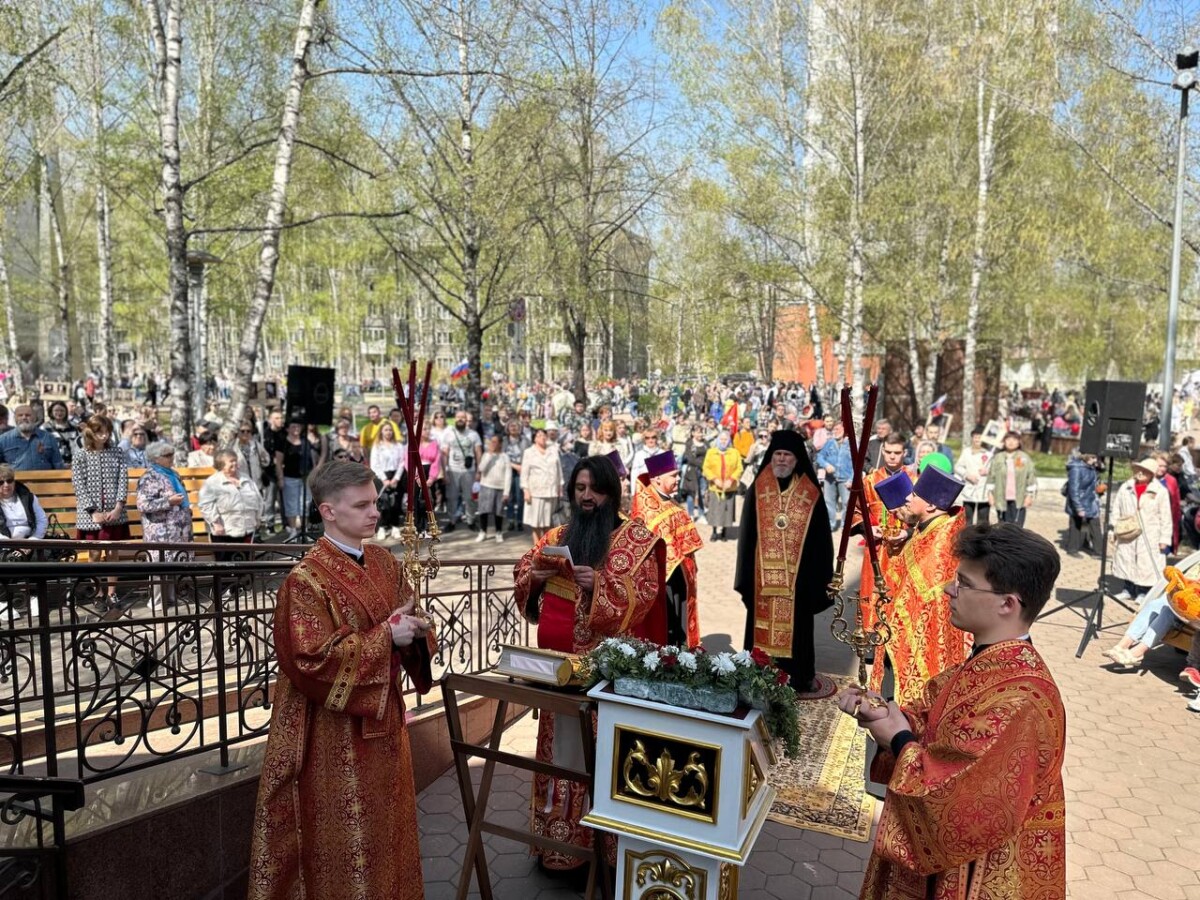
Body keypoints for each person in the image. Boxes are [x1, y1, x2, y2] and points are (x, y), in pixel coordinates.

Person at [837, 523, 1066, 900]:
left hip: (973, 870)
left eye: (964, 583)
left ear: (1007, 604)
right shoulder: (988, 662)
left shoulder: (1021, 698)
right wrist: (888, 716)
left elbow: (957, 804)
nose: (948, 589)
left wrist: (898, 739)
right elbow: (934, 720)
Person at [247, 461, 433, 900]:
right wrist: (386, 636)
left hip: (387, 725)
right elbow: (309, 659)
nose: (375, 512)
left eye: (375, 502)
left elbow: (411, 618)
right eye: (362, 505)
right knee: (343, 840)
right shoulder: (305, 580)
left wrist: (415, 631)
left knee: (389, 828)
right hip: (331, 737)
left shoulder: (385, 562)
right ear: (328, 511)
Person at [514, 455, 668, 872]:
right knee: (563, 756)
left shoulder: (637, 540)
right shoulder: (558, 535)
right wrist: (535, 579)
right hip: (560, 674)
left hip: (611, 679)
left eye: (595, 490)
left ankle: (608, 853)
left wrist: (600, 585)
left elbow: (646, 596)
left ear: (611, 492)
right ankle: (560, 847)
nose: (587, 497)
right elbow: (524, 570)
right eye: (580, 489)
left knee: (608, 759)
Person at [734, 429, 834, 694]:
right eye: (777, 453)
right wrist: (746, 574)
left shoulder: (810, 493)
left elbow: (820, 540)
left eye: (787, 454)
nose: (781, 459)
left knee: (798, 632)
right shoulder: (759, 487)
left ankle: (799, 677)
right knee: (759, 631)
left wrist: (817, 578)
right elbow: (747, 535)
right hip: (762, 581)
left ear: (797, 458)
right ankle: (757, 675)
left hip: (797, 583)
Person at [869, 464, 970, 705]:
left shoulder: (940, 546)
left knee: (899, 704)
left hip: (916, 642)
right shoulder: (932, 526)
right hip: (898, 635)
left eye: (914, 495)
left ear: (931, 506)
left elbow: (920, 599)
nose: (907, 497)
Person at [631, 450, 702, 647]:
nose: (678, 479)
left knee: (679, 619)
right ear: (657, 479)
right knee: (667, 624)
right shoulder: (647, 506)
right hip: (661, 577)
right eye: (674, 475)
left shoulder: (669, 499)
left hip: (679, 573)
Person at [849, 433, 913, 625]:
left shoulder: (914, 480)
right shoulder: (869, 481)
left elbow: (925, 517)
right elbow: (855, 510)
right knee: (872, 592)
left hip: (905, 548)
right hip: (876, 549)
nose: (892, 456)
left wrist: (907, 532)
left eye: (897, 452)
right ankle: (872, 632)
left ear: (904, 453)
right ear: (882, 451)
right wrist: (867, 528)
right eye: (889, 452)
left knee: (901, 596)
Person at [137, 441, 195, 611]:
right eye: (167, 455)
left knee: (174, 563)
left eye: (172, 454)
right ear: (156, 458)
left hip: (178, 528)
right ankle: (156, 602)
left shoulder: (174, 474)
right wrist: (168, 501)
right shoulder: (149, 477)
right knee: (160, 565)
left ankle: (170, 598)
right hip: (160, 530)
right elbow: (143, 504)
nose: (171, 458)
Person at [1111, 457, 1173, 603]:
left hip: (1150, 533)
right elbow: (1116, 507)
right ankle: (1128, 589)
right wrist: (1113, 528)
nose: (1140, 473)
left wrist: (1164, 539)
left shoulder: (1160, 491)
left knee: (1147, 564)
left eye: (1145, 471)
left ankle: (1143, 592)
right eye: (1139, 469)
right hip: (1127, 531)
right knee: (1127, 559)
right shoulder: (1126, 487)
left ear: (1152, 474)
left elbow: (1165, 516)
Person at [198, 450, 263, 553]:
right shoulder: (212, 482)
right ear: (221, 464)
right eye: (231, 461)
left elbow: (258, 499)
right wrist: (216, 523)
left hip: (248, 529)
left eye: (236, 460)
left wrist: (258, 517)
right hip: (224, 532)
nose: (235, 463)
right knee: (226, 561)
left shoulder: (246, 478)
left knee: (247, 560)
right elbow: (205, 505)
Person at [275, 418, 321, 539]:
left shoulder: (305, 441)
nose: (296, 428)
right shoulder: (283, 442)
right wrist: (280, 478)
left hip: (306, 478)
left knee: (305, 504)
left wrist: (314, 474)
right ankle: (293, 531)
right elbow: (278, 462)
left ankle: (304, 530)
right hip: (289, 477)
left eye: (298, 426)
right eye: (293, 426)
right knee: (291, 505)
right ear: (287, 429)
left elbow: (312, 459)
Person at [440, 411, 481, 531]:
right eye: (458, 417)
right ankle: (452, 521)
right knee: (451, 498)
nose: (460, 419)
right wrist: (444, 472)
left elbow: (478, 453)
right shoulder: (448, 434)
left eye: (463, 417)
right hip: (453, 470)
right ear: (455, 419)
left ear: (466, 419)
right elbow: (444, 454)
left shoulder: (473, 434)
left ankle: (471, 520)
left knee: (470, 498)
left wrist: (479, 471)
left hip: (469, 471)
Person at [520, 428, 563, 544]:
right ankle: (537, 545)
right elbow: (524, 473)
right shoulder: (529, 452)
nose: (542, 437)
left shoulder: (553, 450)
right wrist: (526, 490)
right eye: (539, 435)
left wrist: (560, 486)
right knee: (536, 521)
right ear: (534, 438)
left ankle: (546, 544)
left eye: (544, 435)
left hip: (551, 490)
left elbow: (559, 470)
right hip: (535, 492)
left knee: (548, 521)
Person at [985, 430, 1036, 527]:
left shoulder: (1024, 458)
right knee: (1003, 526)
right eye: (1008, 439)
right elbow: (991, 477)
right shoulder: (998, 458)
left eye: (1014, 439)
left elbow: (1031, 477)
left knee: (1017, 526)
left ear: (1018, 442)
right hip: (1001, 496)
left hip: (1019, 498)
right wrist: (990, 494)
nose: (1011, 442)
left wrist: (1029, 495)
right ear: (1004, 441)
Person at [702, 429, 742, 542]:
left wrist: (731, 479)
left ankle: (724, 531)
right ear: (718, 440)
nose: (723, 441)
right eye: (721, 439)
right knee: (715, 511)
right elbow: (706, 468)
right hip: (715, 487)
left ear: (729, 441)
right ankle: (714, 532)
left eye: (726, 439)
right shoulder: (711, 452)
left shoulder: (734, 453)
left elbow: (739, 468)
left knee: (727, 512)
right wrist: (714, 479)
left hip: (729, 487)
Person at [369, 421, 405, 542]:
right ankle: (382, 527)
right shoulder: (377, 446)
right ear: (381, 432)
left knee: (396, 503)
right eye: (386, 430)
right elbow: (374, 464)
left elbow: (402, 462)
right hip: (382, 477)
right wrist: (384, 479)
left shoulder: (398, 446)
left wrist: (396, 478)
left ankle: (395, 526)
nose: (388, 432)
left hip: (396, 476)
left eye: (390, 430)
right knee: (384, 504)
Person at [815, 420, 853, 530]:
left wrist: (851, 479)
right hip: (830, 479)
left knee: (847, 503)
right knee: (828, 502)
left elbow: (857, 464)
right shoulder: (829, 443)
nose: (835, 431)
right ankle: (830, 525)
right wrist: (826, 465)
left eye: (837, 429)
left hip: (845, 479)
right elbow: (819, 457)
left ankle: (845, 525)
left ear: (844, 430)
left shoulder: (852, 444)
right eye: (834, 430)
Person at [0, 405, 64, 470]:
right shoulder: (3, 440)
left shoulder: (49, 438)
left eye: (28, 415)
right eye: (20, 415)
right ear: (15, 419)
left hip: (44, 476)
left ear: (35, 418)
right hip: (15, 476)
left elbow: (58, 464)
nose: (24, 418)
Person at [1063, 451, 1101, 555]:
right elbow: (1073, 490)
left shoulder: (1091, 468)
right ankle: (1072, 549)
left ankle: (1097, 550)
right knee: (1076, 526)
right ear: (1086, 457)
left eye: (1096, 458)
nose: (1095, 460)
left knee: (1093, 525)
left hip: (1090, 501)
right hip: (1079, 501)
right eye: (1093, 458)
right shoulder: (1076, 469)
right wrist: (1078, 507)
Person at [476, 435, 512, 543]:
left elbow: (508, 475)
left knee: (499, 512)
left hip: (500, 487)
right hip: (486, 486)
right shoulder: (486, 455)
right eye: (492, 441)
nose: (493, 444)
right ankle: (483, 532)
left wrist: (506, 492)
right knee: (483, 511)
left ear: (500, 443)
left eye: (495, 442)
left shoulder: (505, 457)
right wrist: (490, 455)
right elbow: (481, 468)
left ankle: (499, 532)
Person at [953, 426, 991, 525]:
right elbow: (958, 467)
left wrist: (988, 471)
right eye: (975, 437)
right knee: (967, 519)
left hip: (984, 490)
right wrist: (967, 475)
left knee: (983, 520)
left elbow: (996, 470)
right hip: (969, 491)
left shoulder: (990, 453)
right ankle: (968, 534)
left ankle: (981, 535)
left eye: (980, 437)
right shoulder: (966, 452)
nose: (977, 439)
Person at [0, 463, 48, 540]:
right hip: (3, 543)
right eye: (1, 482)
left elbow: (42, 520)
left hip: (30, 542)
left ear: (14, 482)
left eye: (9, 481)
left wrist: (34, 539)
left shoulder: (28, 497)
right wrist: (5, 543)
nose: (6, 485)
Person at [502, 420, 529, 532]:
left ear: (520, 428)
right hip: (508, 470)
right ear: (507, 429)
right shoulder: (504, 441)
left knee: (520, 497)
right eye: (511, 426)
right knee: (509, 497)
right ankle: (510, 520)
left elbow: (529, 455)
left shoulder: (525, 440)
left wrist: (523, 467)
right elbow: (502, 456)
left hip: (521, 471)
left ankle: (519, 521)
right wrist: (515, 466)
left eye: (516, 426)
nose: (513, 428)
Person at [44, 401, 79, 466]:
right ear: (51, 412)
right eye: (56, 410)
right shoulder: (45, 428)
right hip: (53, 464)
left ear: (66, 412)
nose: (59, 413)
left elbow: (77, 445)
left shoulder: (73, 427)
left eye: (62, 410)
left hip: (72, 463)